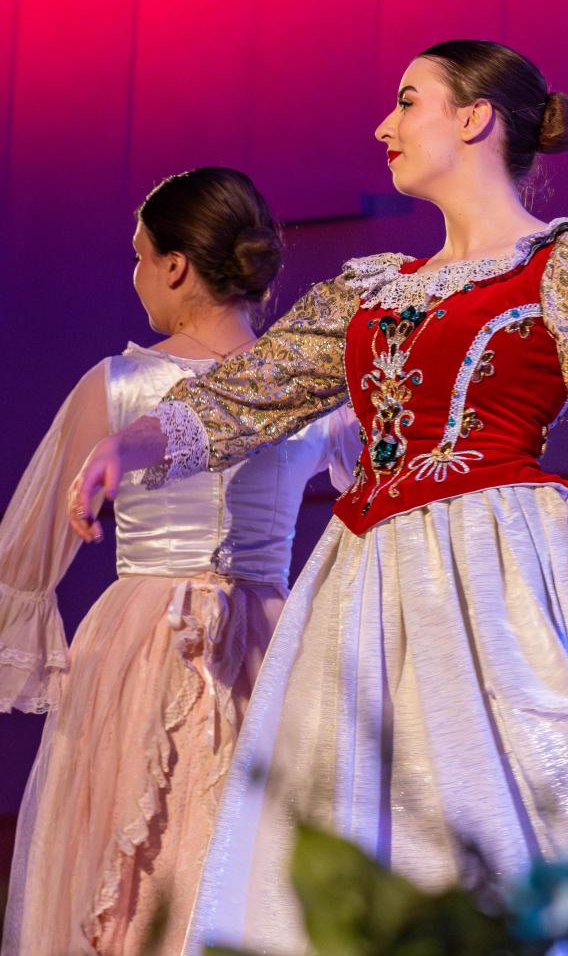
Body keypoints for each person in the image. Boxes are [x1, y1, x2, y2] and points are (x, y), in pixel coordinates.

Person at [68, 41, 568, 954]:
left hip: (500, 565)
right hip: (365, 581)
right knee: (359, 808)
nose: (383, 126)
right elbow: (249, 391)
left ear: (475, 119)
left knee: (523, 803)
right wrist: (128, 443)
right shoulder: (371, 289)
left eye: (407, 102)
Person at [1, 168, 357, 955]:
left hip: (139, 644)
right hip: (269, 638)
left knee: (129, 861)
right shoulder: (316, 398)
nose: (135, 277)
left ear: (174, 267)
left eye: (139, 257)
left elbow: (23, 564)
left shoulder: (120, 385)